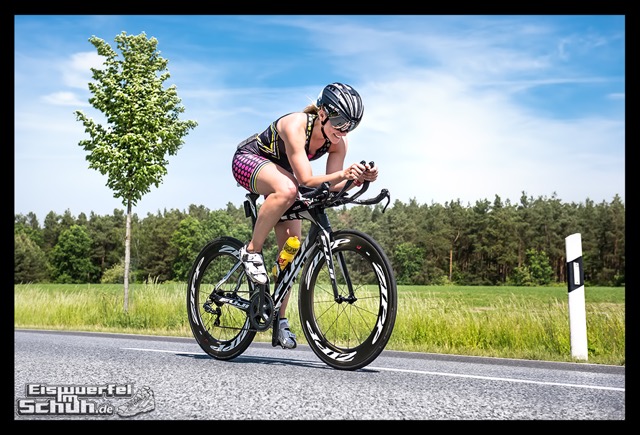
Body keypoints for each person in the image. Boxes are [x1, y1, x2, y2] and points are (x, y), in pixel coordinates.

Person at [231, 82, 379, 349]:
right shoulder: (296, 125)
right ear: (322, 113)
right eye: (340, 121)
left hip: (285, 177)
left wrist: (356, 179)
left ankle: (279, 319)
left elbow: (331, 184)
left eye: (351, 125)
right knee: (288, 189)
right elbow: (307, 179)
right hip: (249, 159)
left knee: (291, 251)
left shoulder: (338, 142)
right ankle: (251, 250)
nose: (344, 129)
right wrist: (344, 175)